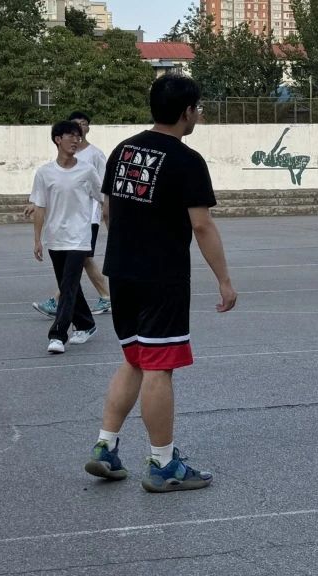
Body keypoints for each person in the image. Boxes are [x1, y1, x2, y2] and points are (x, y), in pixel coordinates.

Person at [83, 75, 238, 492]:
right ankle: (163, 464)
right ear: (187, 112)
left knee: (135, 359)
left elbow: (109, 211)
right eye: (197, 108)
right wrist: (224, 280)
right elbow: (202, 225)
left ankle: (105, 446)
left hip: (121, 272)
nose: (198, 115)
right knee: (159, 367)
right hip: (160, 276)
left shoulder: (122, 150)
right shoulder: (186, 160)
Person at [29, 120, 104, 355]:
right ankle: (86, 324)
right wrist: (37, 239)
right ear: (57, 139)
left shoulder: (87, 171)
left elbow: (103, 198)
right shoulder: (44, 173)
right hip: (55, 237)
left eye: (78, 136)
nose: (75, 140)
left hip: (79, 237)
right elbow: (39, 206)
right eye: (70, 135)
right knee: (67, 284)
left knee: (69, 286)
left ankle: (58, 335)